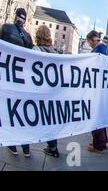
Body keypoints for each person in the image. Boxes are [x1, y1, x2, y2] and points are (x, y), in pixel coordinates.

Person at [0, 8, 33, 157]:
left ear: (15, 16)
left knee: (7, 111)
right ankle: (25, 147)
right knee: (20, 113)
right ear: (25, 19)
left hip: (5, 76)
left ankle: (11, 145)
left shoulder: (6, 28)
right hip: (21, 79)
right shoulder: (28, 37)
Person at [34, 25, 60, 158]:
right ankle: (53, 147)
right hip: (52, 92)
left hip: (39, 91)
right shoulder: (54, 52)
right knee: (50, 119)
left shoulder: (34, 50)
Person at [86, 30, 108, 154]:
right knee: (98, 114)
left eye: (89, 42)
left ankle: (98, 144)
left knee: (95, 116)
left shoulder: (99, 49)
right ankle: (102, 141)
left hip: (96, 87)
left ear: (92, 39)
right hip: (98, 87)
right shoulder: (101, 48)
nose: (89, 44)